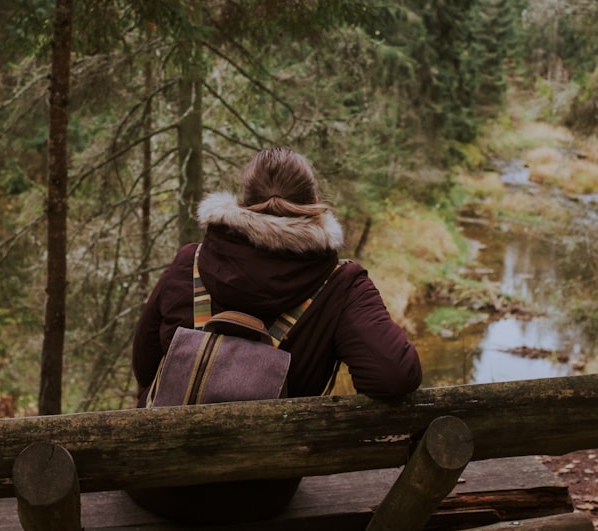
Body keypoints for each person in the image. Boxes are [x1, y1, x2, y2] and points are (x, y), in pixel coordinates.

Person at [129, 148, 422, 523]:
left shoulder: (191, 261)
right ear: (315, 205)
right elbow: (394, 374)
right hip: (257, 497)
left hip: (157, 487)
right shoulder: (342, 286)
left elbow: (145, 365)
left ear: (242, 204)